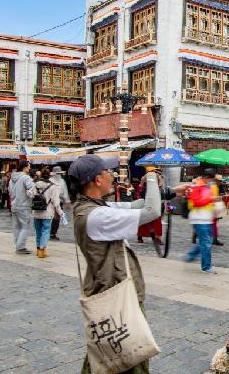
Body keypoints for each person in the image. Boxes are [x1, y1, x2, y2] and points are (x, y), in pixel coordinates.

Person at [68, 154, 161, 373]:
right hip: (116, 291)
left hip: (110, 286)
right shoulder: (97, 215)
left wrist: (166, 192)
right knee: (130, 352)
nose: (112, 174)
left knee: (107, 352)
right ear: (97, 180)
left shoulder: (94, 207)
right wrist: (151, 174)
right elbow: (152, 211)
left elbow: (138, 205)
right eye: (107, 171)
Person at [187, 169, 221, 273]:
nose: (212, 181)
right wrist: (212, 199)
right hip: (199, 218)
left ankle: (191, 256)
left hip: (206, 218)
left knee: (206, 242)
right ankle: (206, 267)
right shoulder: (197, 185)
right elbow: (197, 202)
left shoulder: (205, 186)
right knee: (206, 243)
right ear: (207, 177)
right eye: (211, 179)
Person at [33, 169, 64, 258]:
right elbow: (56, 202)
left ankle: (38, 250)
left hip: (36, 212)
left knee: (38, 231)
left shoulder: (35, 184)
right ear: (49, 176)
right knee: (46, 231)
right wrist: (60, 213)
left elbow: (30, 194)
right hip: (47, 212)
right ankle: (42, 250)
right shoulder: (53, 187)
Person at [9, 161, 36, 254]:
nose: (29, 168)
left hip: (14, 205)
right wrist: (31, 195)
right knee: (25, 226)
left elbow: (10, 191)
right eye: (29, 166)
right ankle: (20, 247)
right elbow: (32, 189)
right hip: (23, 205)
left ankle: (18, 245)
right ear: (24, 167)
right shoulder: (26, 178)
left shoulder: (12, 178)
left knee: (17, 227)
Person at [137, 167, 163, 244]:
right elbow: (140, 189)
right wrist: (142, 181)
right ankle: (140, 236)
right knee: (144, 220)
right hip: (146, 202)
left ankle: (157, 237)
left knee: (156, 221)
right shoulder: (144, 179)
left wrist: (159, 180)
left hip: (155, 202)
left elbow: (160, 186)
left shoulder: (157, 179)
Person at [50, 166, 70, 241]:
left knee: (56, 218)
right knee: (51, 217)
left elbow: (65, 192)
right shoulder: (50, 180)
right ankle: (50, 233)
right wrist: (67, 200)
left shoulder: (62, 181)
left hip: (59, 201)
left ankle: (53, 233)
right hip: (51, 202)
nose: (58, 175)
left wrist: (67, 200)